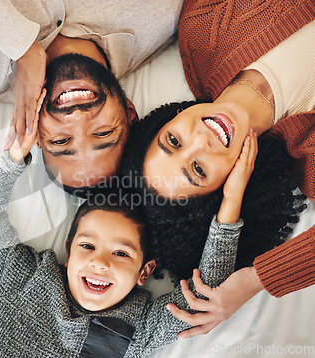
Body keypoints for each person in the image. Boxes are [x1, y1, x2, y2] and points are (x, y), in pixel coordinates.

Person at [0, 91, 256, 357]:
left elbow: (207, 296)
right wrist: (16, 156)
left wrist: (231, 198)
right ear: (68, 249)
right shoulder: (25, 278)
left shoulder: (139, 327)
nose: (99, 263)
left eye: (121, 253)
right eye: (87, 245)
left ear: (145, 271)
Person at [121, 0, 315, 337]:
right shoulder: (306, 155)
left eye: (174, 140)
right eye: (198, 169)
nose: (201, 139)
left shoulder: (203, 30)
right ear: (226, 186)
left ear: (171, 118)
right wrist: (257, 279)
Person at [0, 0, 183, 188]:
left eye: (61, 140)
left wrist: (22, 47)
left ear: (37, 135)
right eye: (103, 133)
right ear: (129, 112)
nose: (78, 119)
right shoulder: (160, 13)